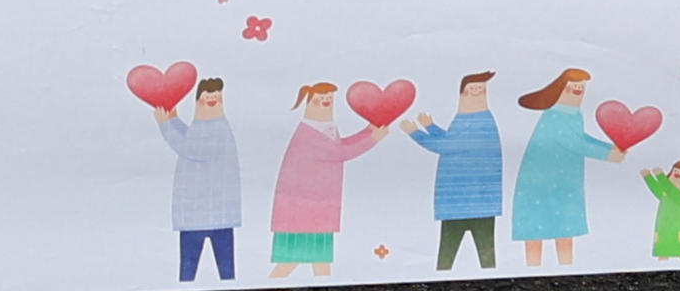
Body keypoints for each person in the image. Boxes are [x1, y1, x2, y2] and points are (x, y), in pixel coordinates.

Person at [273, 81, 388, 272]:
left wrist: (368, 131)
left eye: (329, 100)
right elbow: (339, 153)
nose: (327, 103)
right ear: (310, 103)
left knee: (319, 261)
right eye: (321, 100)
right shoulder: (308, 134)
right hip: (302, 210)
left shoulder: (324, 128)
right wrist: (373, 139)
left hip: (317, 208)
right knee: (291, 262)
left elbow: (340, 145)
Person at [407, 74, 508, 271]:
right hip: (471, 202)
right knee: (466, 254)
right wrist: (431, 127)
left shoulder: (478, 120)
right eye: (472, 89)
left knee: (456, 254)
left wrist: (415, 133)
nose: (476, 93)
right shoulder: (469, 118)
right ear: (462, 93)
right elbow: (454, 140)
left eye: (480, 89)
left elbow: (448, 146)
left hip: (465, 202)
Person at [508, 73, 601, 266]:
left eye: (581, 88)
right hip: (540, 183)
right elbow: (574, 142)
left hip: (562, 181)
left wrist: (610, 150)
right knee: (538, 234)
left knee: (563, 232)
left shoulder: (573, 113)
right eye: (573, 87)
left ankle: (563, 268)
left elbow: (578, 140)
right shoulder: (557, 114)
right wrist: (609, 153)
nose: (578, 92)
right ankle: (533, 271)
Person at [163, 72, 245, 281]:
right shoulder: (203, 125)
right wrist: (173, 120)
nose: (212, 101)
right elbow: (192, 138)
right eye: (207, 97)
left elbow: (191, 149)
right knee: (189, 272)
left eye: (216, 98)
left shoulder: (218, 127)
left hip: (213, 212)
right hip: (199, 211)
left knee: (223, 272)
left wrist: (164, 126)